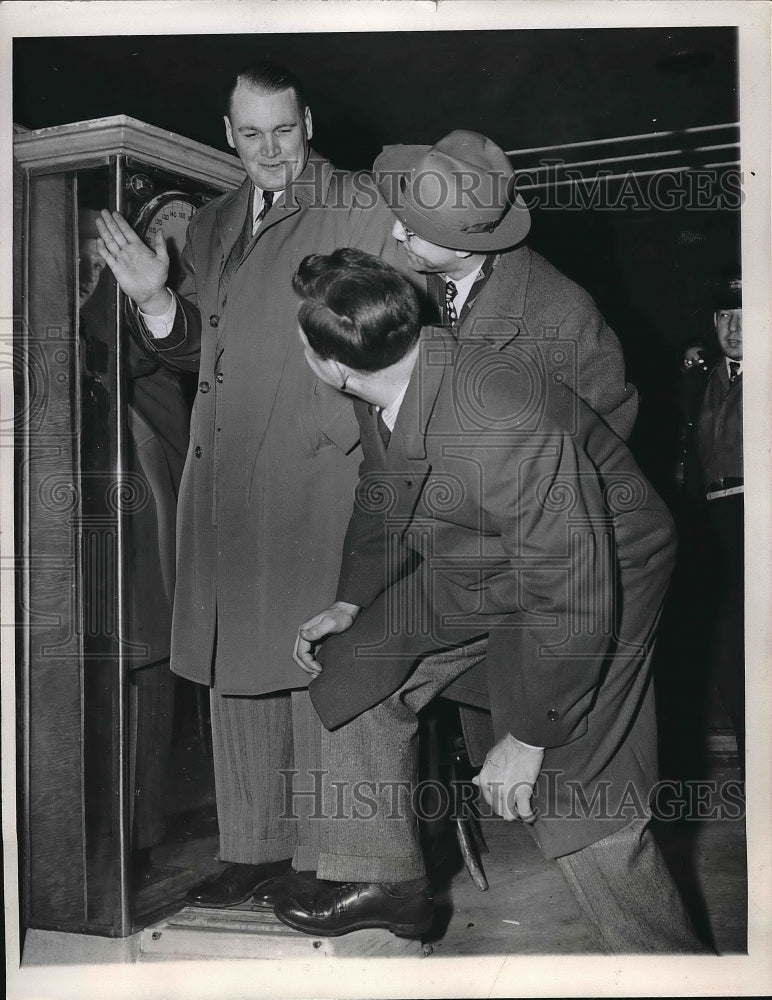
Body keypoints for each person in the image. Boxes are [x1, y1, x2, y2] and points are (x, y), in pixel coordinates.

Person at [272, 249, 708, 953]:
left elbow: (570, 584)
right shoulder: (390, 379)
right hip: (499, 553)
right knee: (354, 662)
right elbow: (385, 496)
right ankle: (389, 881)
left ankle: (673, 967)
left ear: (330, 363)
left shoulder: (497, 415)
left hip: (607, 571)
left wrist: (531, 736)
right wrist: (353, 601)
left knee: (575, 795)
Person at [94, 60, 405, 906]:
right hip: (226, 471)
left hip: (318, 472)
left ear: (310, 123)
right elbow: (202, 344)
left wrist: (335, 432)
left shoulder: (361, 205)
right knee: (236, 660)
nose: (272, 151)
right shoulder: (216, 220)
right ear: (229, 136)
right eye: (252, 135)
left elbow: (394, 333)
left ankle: (331, 855)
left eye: (286, 130)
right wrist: (157, 302)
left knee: (314, 656)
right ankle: (254, 842)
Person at [79, 207, 188, 882]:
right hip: (82, 527)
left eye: (100, 259)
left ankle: (132, 837)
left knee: (141, 669)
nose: (95, 269)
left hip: (136, 520)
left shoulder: (132, 323)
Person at [696, 276, 744, 770]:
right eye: (726, 317)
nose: (734, 328)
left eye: (745, 316)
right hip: (715, 522)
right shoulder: (708, 378)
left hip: (755, 519)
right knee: (728, 657)